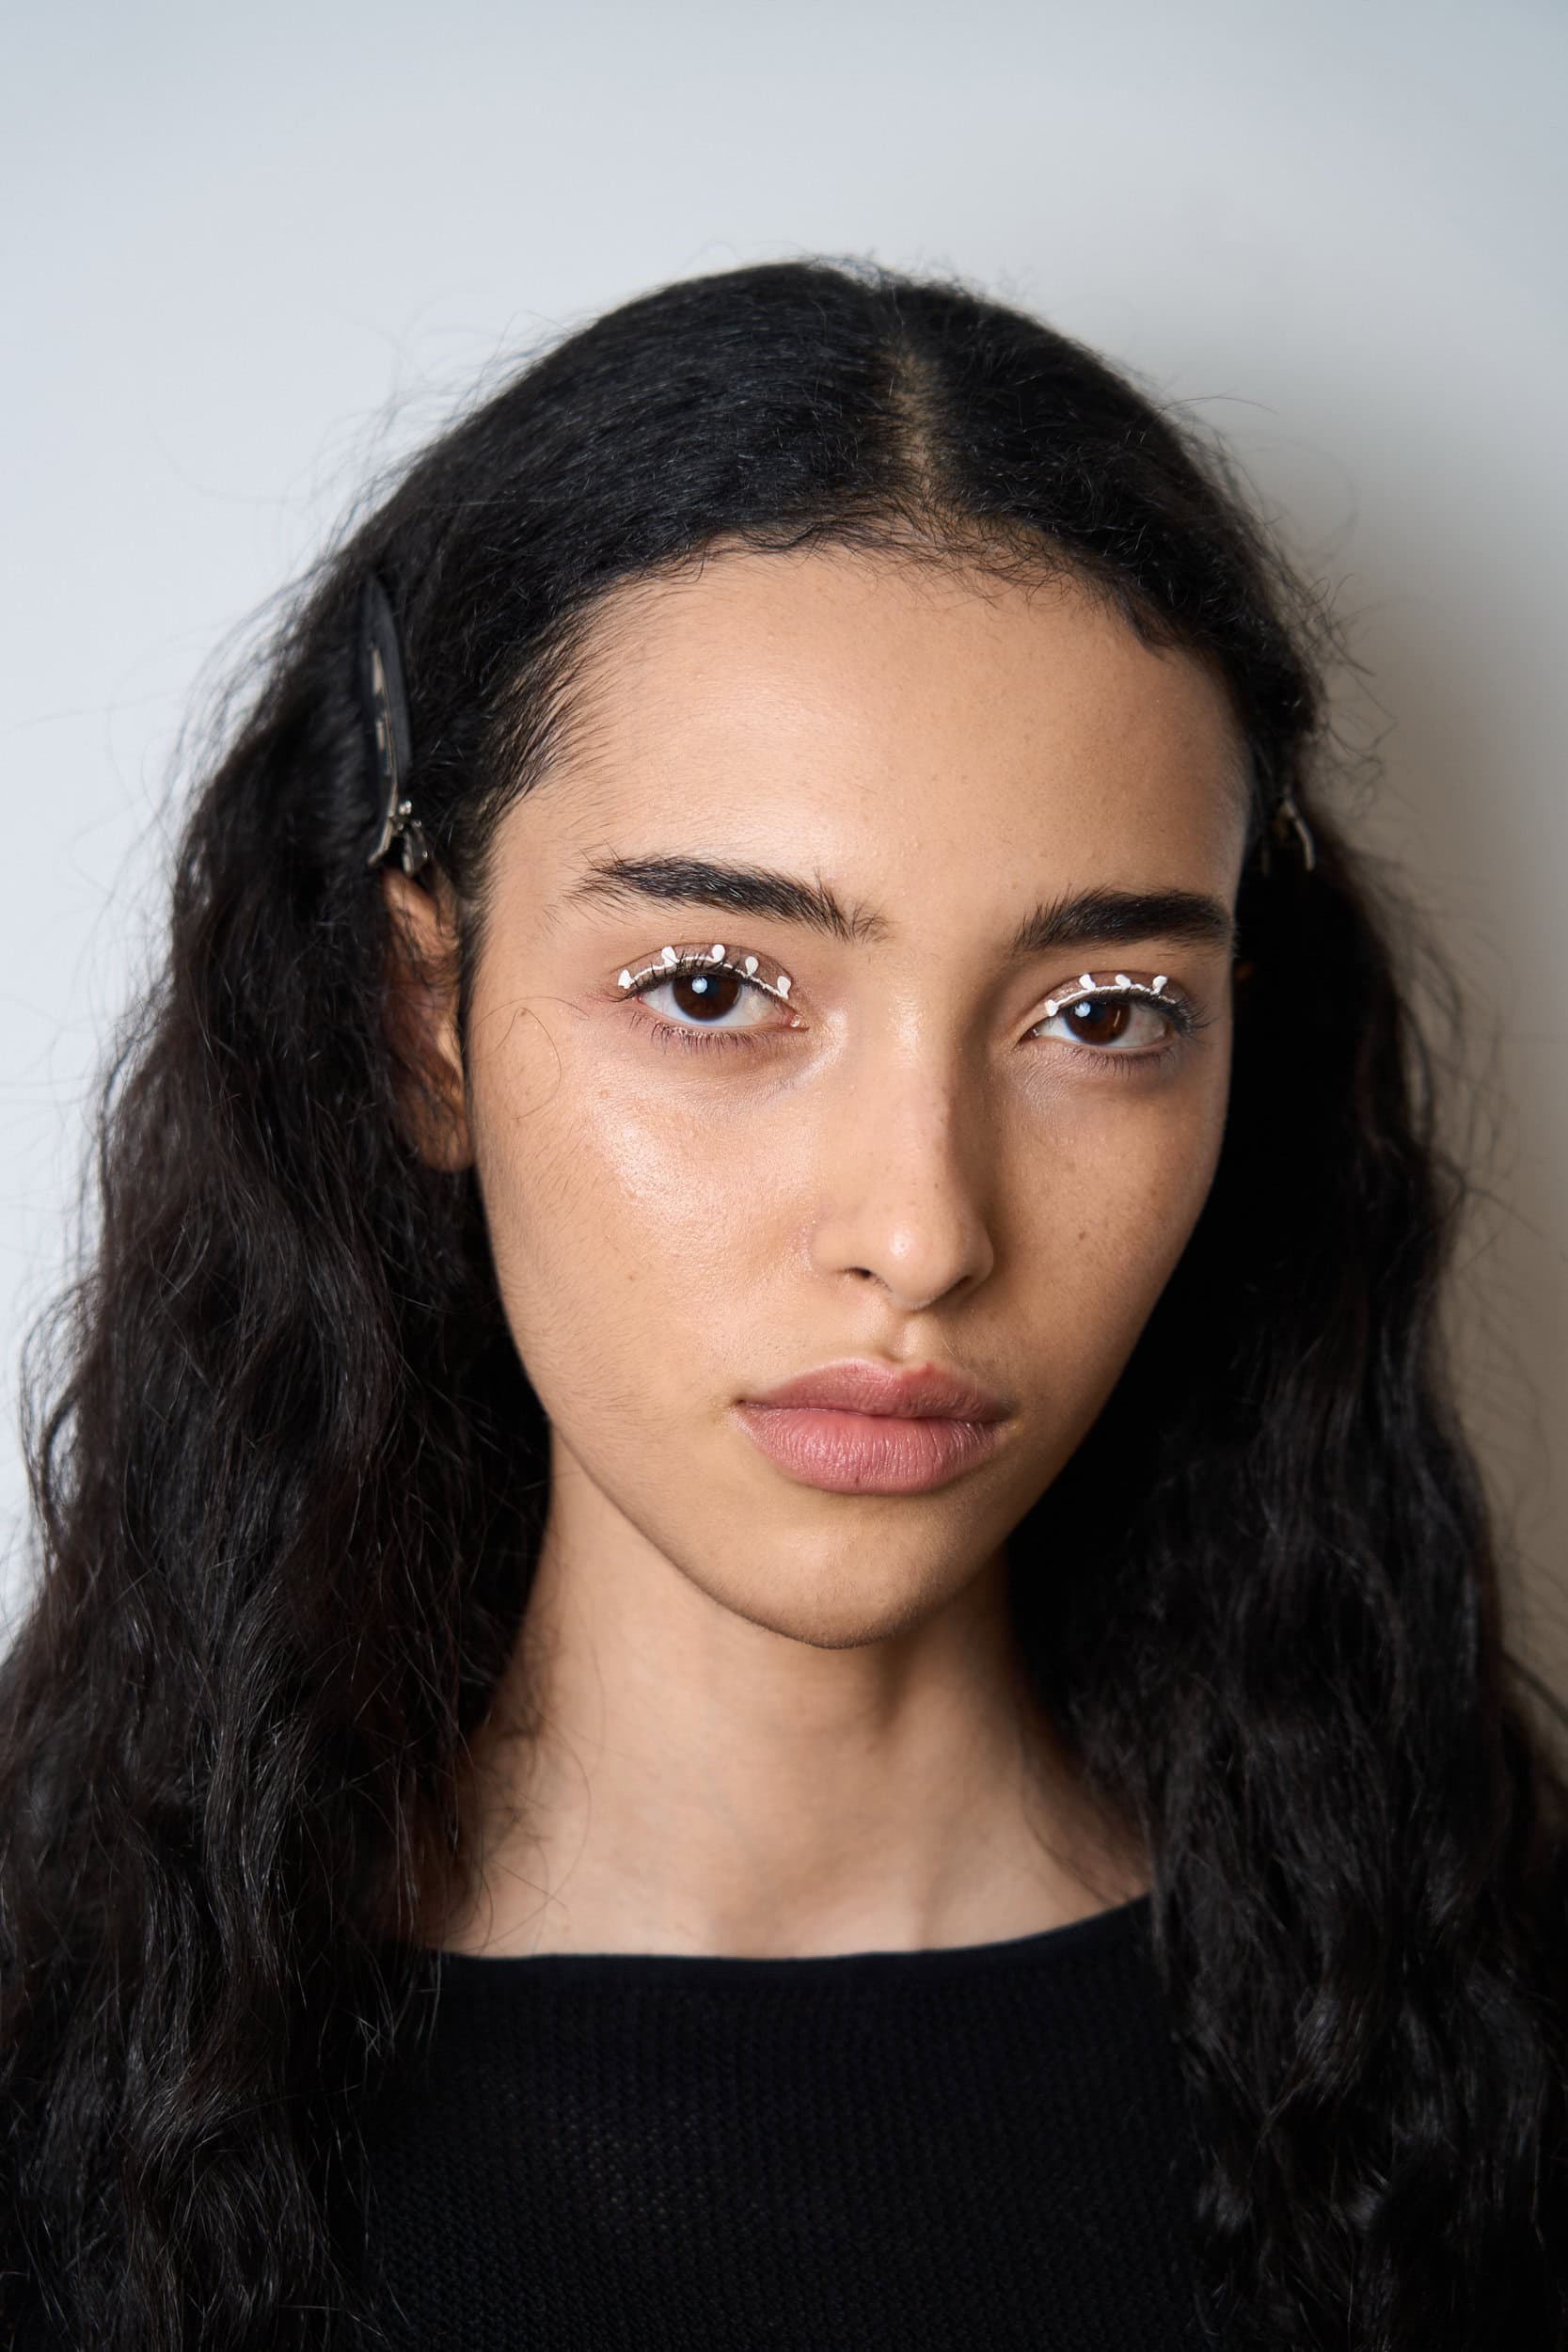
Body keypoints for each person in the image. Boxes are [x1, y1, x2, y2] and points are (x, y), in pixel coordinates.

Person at [1, 258, 1563, 2352]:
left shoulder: (1501, 2045)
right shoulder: (51, 2079)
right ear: (422, 1018)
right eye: (714, 988)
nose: (922, 1231)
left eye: (1104, 1012)